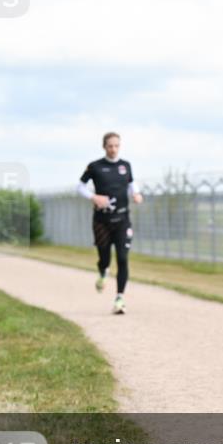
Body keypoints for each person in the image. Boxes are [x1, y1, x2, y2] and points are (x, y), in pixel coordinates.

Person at [78, 132, 143, 314]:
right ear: (104, 147)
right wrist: (93, 197)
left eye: (116, 146)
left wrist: (136, 194)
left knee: (122, 258)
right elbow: (80, 186)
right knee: (104, 258)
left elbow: (131, 183)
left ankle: (119, 298)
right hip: (102, 222)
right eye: (110, 146)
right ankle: (103, 272)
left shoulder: (125, 165)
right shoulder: (95, 166)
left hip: (123, 220)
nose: (113, 149)